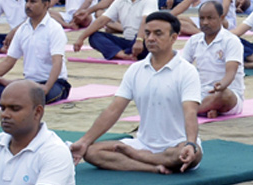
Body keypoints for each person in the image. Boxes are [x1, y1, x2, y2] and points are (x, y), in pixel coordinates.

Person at [69, 12, 203, 174]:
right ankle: (152, 167)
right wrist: (84, 141)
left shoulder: (187, 71)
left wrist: (190, 143)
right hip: (143, 144)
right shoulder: (135, 69)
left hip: (176, 145)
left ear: (174, 38)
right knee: (91, 152)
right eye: (147, 33)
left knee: (189, 155)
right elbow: (113, 110)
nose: (151, 38)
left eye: (158, 33)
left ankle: (137, 156)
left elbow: (190, 112)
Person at [0, 0, 70, 104]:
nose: (28, 5)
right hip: (29, 83)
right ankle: (19, 87)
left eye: (33, 2)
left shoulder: (54, 29)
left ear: (46, 4)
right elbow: (8, 61)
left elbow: (57, 62)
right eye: (26, 1)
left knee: (41, 96)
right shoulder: (22, 29)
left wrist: (46, 87)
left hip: (54, 83)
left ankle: (16, 86)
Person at [74, 0, 158, 61]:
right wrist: (81, 38)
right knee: (94, 37)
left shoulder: (149, 0)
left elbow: (145, 21)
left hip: (143, 41)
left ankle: (123, 52)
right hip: (127, 41)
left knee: (149, 40)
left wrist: (139, 40)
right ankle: (123, 55)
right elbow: (102, 20)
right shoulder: (121, 0)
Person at [181, 1, 245, 119]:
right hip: (200, 93)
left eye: (210, 18)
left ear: (221, 18)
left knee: (222, 96)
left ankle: (187, 112)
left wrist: (222, 85)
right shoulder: (194, 40)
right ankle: (206, 110)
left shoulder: (231, 41)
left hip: (226, 93)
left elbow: (231, 72)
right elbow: (181, 67)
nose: (205, 22)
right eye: (202, 18)